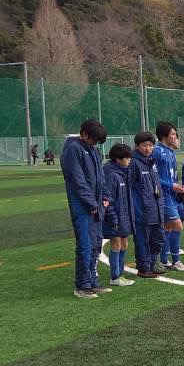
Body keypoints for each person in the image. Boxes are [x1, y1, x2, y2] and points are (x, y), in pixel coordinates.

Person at [61, 120, 109, 298]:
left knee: (96, 244)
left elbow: (101, 178)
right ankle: (82, 286)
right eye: (93, 139)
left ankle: (93, 282)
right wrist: (90, 203)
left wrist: (105, 196)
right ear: (83, 134)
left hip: (96, 205)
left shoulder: (94, 150)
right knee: (85, 245)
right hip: (83, 207)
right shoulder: (73, 149)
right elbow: (77, 180)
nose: (95, 143)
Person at [130, 131, 167, 278]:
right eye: (144, 145)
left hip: (156, 209)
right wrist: (136, 208)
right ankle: (143, 268)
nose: (148, 148)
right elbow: (130, 188)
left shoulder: (151, 161)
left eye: (150, 145)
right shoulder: (134, 163)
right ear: (137, 146)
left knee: (159, 238)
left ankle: (151, 264)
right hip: (142, 211)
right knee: (143, 241)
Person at [153, 122, 184, 270]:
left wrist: (178, 186)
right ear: (164, 136)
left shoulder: (170, 152)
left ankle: (163, 260)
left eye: (175, 134)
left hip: (172, 195)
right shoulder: (157, 151)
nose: (175, 137)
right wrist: (171, 186)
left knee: (167, 227)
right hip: (163, 196)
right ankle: (176, 261)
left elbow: (170, 176)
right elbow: (153, 176)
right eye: (172, 134)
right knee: (177, 225)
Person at [101, 143, 136, 287]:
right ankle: (115, 277)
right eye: (127, 159)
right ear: (118, 159)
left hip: (123, 216)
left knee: (124, 243)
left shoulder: (123, 172)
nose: (129, 161)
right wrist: (112, 218)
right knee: (116, 244)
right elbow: (107, 199)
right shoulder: (111, 174)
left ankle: (120, 274)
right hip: (114, 217)